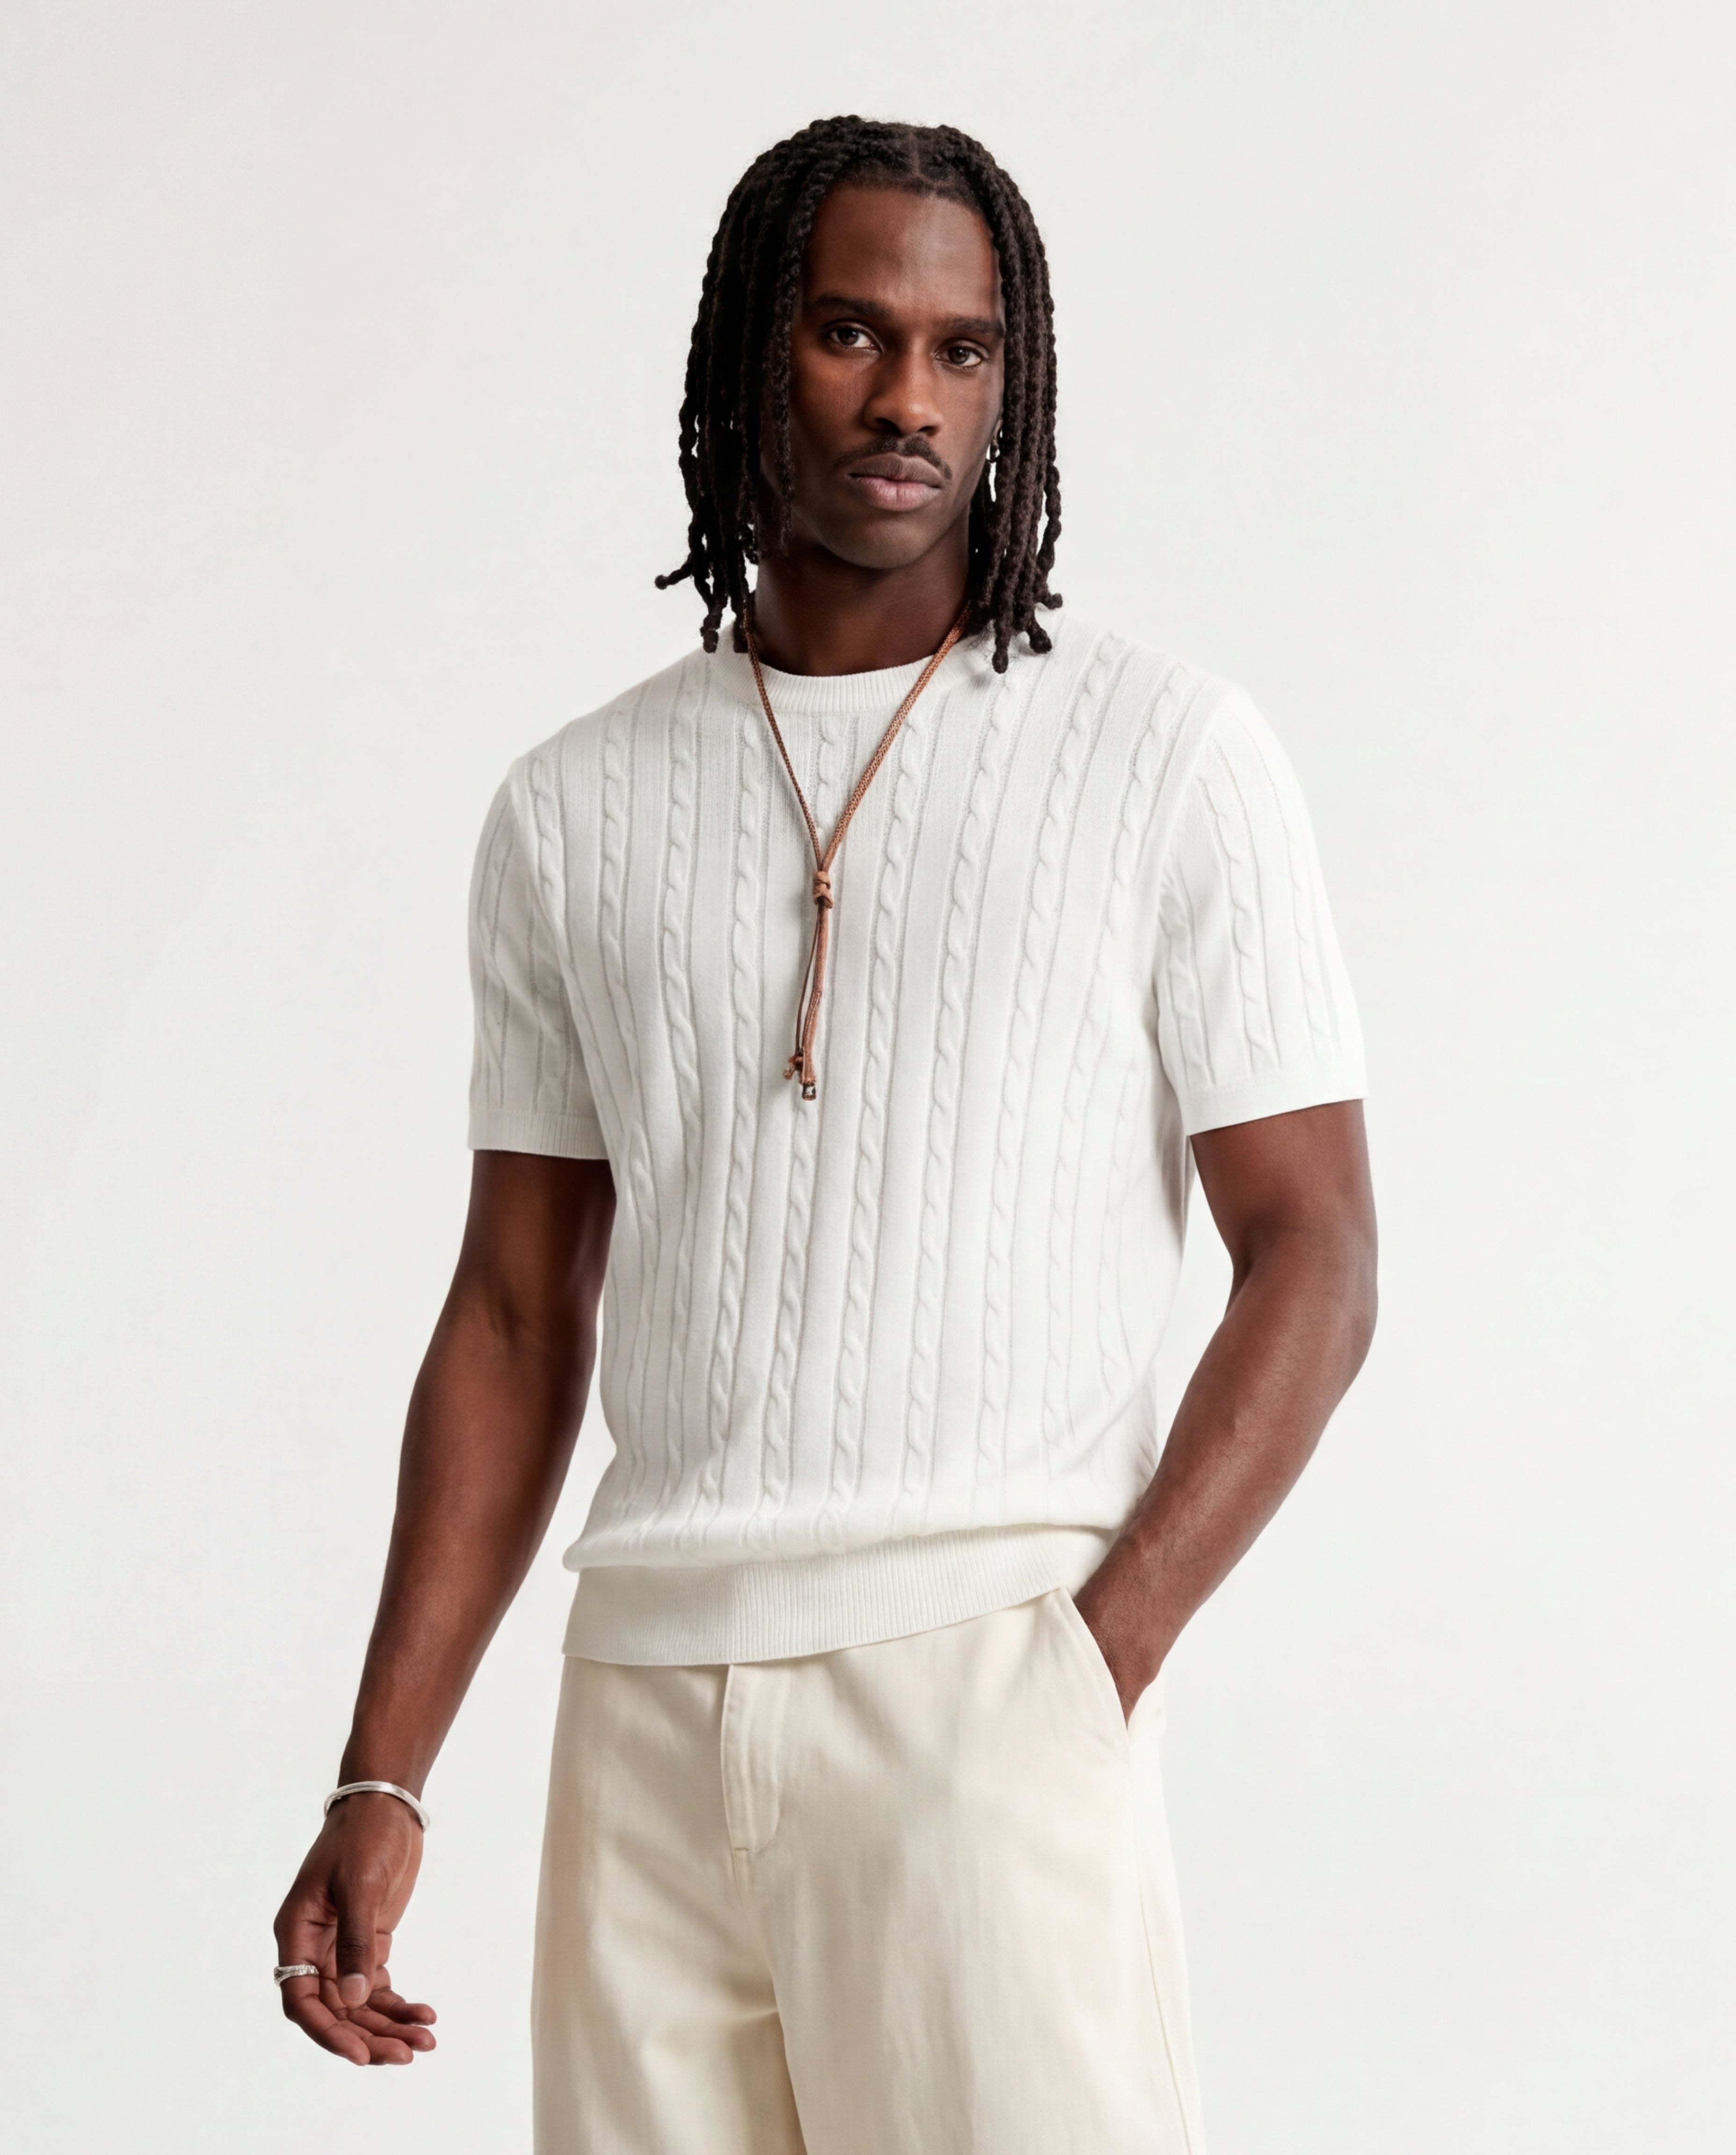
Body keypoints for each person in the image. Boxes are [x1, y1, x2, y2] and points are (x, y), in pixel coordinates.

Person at [274, 116, 1377, 2154]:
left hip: (985, 1687)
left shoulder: (1165, 755)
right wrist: (385, 1771)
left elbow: (1316, 1248)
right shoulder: (573, 809)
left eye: (966, 351)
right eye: (854, 333)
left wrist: (1093, 1665)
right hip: (645, 1703)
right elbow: (514, 1314)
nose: (909, 401)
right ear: (746, 359)